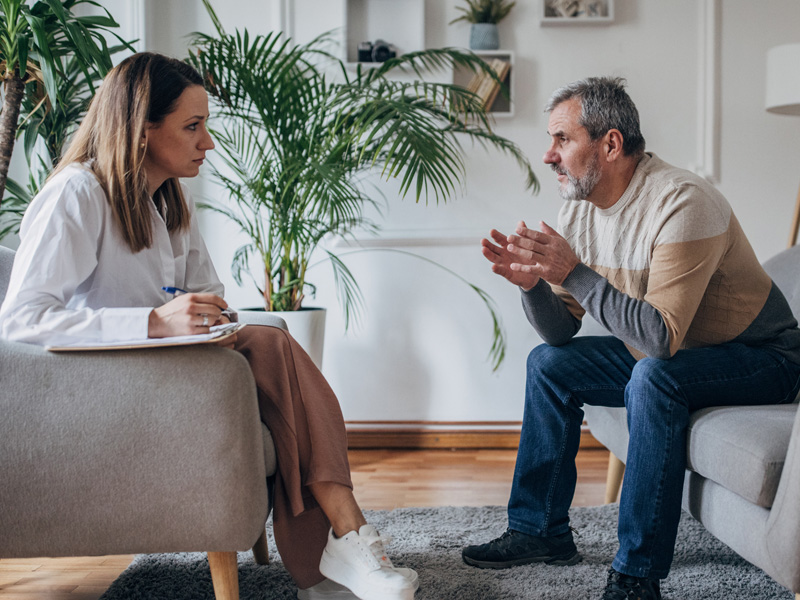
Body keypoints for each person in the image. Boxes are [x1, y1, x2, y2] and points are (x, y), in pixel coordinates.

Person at [0, 52, 418, 600]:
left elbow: (208, 293)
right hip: (97, 387)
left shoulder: (169, 200)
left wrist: (207, 316)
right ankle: (342, 547)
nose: (208, 142)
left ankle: (335, 557)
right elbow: (23, 320)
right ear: (141, 130)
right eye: (192, 126)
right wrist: (154, 320)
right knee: (272, 343)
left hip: (168, 371)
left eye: (206, 125)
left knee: (271, 347)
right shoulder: (76, 194)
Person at [463, 76, 800, 600]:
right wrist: (534, 286)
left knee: (654, 376)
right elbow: (562, 332)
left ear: (611, 144)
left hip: (765, 358)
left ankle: (637, 574)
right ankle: (539, 531)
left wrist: (572, 270)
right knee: (547, 366)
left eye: (562, 139)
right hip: (681, 353)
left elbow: (660, 340)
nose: (548, 155)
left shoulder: (682, 201)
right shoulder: (578, 207)